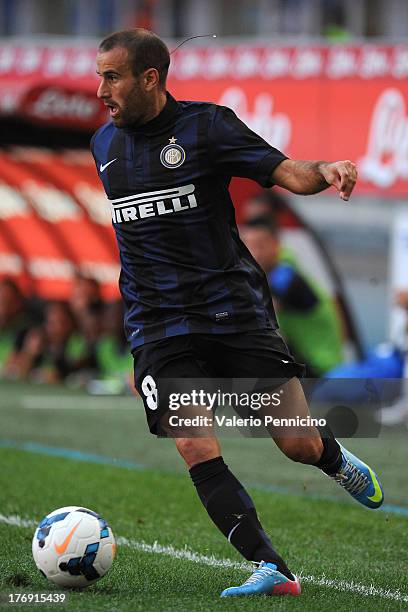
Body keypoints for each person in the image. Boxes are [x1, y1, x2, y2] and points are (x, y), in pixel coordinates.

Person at [91, 28, 383, 598]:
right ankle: (270, 565)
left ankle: (334, 458)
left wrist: (324, 170)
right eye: (100, 75)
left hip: (230, 310)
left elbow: (286, 170)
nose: (102, 89)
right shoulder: (104, 144)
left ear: (150, 78)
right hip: (157, 323)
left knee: (295, 442)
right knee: (193, 441)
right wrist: (138, 347)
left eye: (112, 76)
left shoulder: (208, 127)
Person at [241, 216, 344, 376]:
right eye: (246, 246)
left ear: (276, 245)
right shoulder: (268, 274)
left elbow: (258, 308)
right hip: (303, 363)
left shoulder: (286, 276)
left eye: (259, 246)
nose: (253, 253)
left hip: (321, 371)